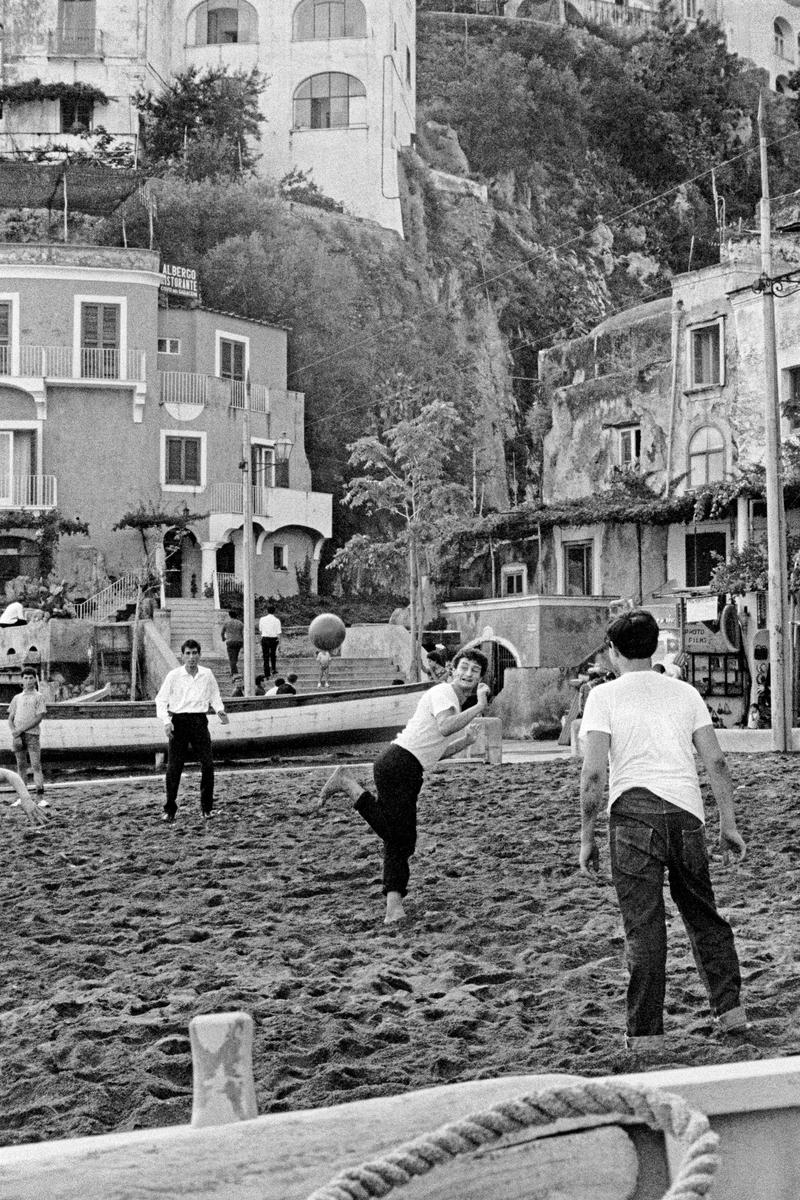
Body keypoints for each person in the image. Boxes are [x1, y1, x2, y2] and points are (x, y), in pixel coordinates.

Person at [578, 608, 750, 1053]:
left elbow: (593, 776)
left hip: (633, 816)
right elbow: (716, 761)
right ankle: (732, 1013)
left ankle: (647, 1035)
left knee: (644, 928)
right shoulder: (685, 692)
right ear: (654, 647)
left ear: (613, 652)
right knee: (703, 915)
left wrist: (587, 836)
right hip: (686, 814)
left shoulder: (603, 697)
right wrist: (727, 822)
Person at [319, 648, 491, 924]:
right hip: (398, 763)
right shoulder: (443, 693)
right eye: (465, 667)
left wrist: (466, 742)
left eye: (475, 670)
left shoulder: (454, 705)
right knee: (398, 838)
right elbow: (445, 727)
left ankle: (393, 908)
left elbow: (436, 751)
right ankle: (348, 784)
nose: (468, 673)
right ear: (452, 669)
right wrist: (480, 706)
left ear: (481, 677)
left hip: (409, 767)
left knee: (400, 841)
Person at [154, 639, 229, 823]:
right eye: (187, 653)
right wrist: (166, 721)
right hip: (178, 722)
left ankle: (206, 808)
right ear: (182, 655)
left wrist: (220, 710)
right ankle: (170, 809)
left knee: (208, 765)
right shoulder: (174, 675)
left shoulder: (207, 674)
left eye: (194, 653)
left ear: (199, 655)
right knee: (174, 767)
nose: (191, 657)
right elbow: (161, 700)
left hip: (199, 721)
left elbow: (215, 695)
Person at [8, 668, 47, 804]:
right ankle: (22, 797)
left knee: (36, 765)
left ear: (35, 679)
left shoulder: (39, 697)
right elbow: (10, 718)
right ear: (22, 680)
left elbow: (39, 717)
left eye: (31, 678)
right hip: (18, 737)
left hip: (32, 735)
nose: (28, 681)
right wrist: (15, 732)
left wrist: (21, 730)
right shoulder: (16, 698)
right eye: (25, 678)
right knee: (21, 766)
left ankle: (40, 797)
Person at [259, 603, 281, 679]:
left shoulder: (262, 619)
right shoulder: (277, 620)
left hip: (265, 638)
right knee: (273, 654)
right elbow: (279, 633)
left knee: (265, 656)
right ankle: (274, 669)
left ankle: (267, 672)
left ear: (267, 611)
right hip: (274, 639)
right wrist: (280, 643)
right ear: (274, 611)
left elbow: (260, 630)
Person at [220, 609, 244, 677]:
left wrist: (223, 638)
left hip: (230, 641)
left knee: (231, 658)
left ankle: (234, 672)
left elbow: (222, 632)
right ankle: (233, 670)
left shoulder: (227, 623)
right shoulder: (240, 623)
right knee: (235, 657)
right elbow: (243, 633)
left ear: (230, 615)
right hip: (238, 641)